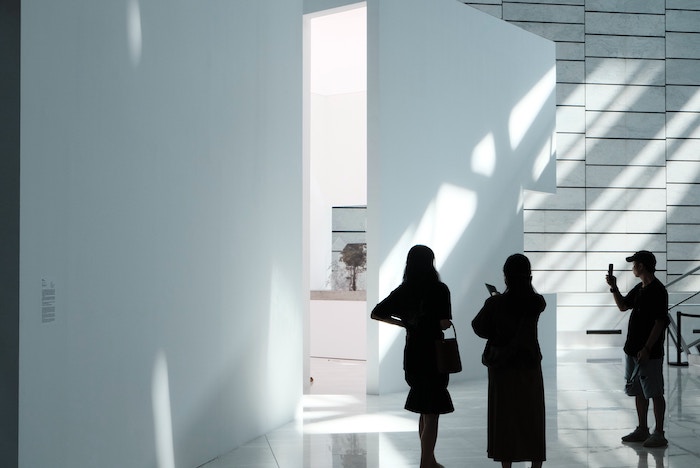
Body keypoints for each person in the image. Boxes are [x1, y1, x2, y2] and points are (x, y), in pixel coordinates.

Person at [370, 245, 453, 468]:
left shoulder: (404, 289)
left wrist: (405, 323)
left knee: (423, 408)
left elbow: (376, 312)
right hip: (434, 355)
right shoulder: (440, 289)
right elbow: (445, 323)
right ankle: (427, 462)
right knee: (432, 411)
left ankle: (427, 459)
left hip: (414, 354)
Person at [472, 253, 546, 468]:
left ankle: (506, 464)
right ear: (529, 276)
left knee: (505, 417)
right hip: (530, 365)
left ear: (506, 277)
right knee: (532, 416)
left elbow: (479, 327)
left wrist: (493, 302)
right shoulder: (536, 302)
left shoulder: (496, 303)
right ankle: (535, 464)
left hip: (502, 367)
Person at [606, 250, 669, 448]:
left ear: (641, 266)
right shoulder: (640, 288)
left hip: (648, 352)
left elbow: (660, 322)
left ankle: (659, 432)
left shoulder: (658, 290)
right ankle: (642, 429)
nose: (632, 267)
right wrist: (614, 288)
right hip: (632, 350)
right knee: (639, 391)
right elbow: (623, 306)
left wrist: (647, 348)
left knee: (654, 391)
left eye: (634, 264)